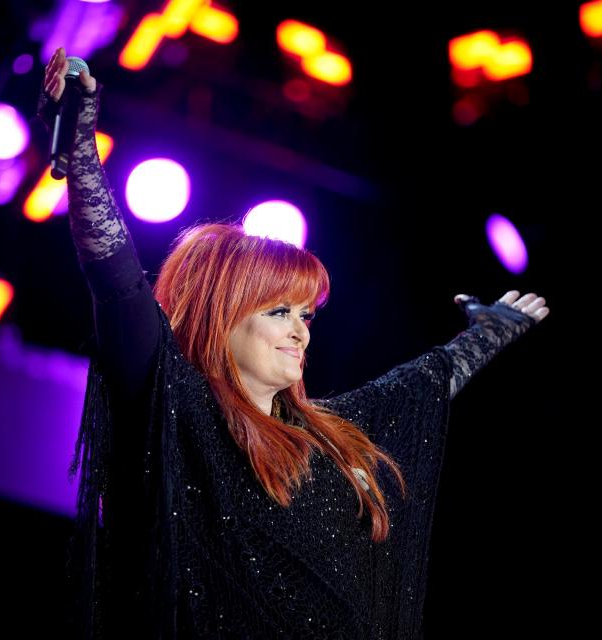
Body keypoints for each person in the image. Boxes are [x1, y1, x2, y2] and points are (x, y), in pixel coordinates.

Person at [36, 46, 550, 639]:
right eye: (280, 310)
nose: (301, 328)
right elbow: (116, 276)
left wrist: (486, 336)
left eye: (306, 313)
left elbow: (421, 385)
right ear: (220, 313)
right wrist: (79, 151)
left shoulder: (329, 436)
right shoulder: (174, 405)